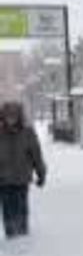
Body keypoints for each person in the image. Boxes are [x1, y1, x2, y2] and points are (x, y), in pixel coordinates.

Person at [0, 101, 46, 239]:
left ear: (19, 116)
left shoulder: (28, 132)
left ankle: (22, 233)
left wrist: (41, 173)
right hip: (3, 179)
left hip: (22, 178)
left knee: (21, 207)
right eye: (8, 116)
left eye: (13, 116)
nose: (10, 119)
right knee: (7, 208)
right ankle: (11, 234)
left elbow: (36, 155)